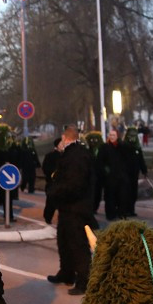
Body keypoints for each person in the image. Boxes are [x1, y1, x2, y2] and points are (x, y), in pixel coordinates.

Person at [46, 126, 96, 295]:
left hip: (76, 208)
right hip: (68, 208)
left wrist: (55, 193)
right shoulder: (74, 154)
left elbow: (74, 184)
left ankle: (84, 280)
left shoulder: (76, 156)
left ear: (64, 138)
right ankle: (66, 273)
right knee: (64, 242)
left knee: (78, 245)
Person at [97, 129, 127, 221]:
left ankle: (121, 213)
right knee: (110, 196)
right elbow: (100, 161)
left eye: (113, 135)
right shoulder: (104, 148)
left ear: (117, 136)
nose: (112, 137)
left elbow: (126, 160)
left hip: (120, 176)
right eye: (110, 135)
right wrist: (106, 171)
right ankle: (110, 214)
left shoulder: (122, 147)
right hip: (109, 177)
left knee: (121, 196)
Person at [119, 128, 148, 218]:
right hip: (124, 172)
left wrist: (144, 170)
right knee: (125, 192)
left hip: (134, 173)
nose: (132, 138)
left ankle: (131, 209)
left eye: (134, 136)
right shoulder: (123, 146)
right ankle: (125, 210)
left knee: (133, 192)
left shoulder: (137, 148)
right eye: (131, 136)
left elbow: (141, 160)